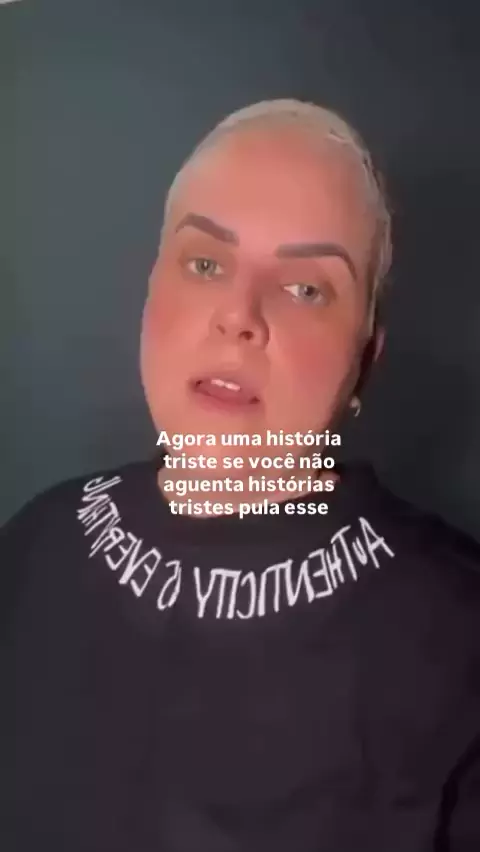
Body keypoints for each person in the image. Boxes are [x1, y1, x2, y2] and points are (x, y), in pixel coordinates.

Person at [1, 99, 480, 852]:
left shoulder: (458, 640)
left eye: (306, 288)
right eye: (205, 264)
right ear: (150, 293)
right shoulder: (37, 543)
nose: (240, 315)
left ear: (365, 357)